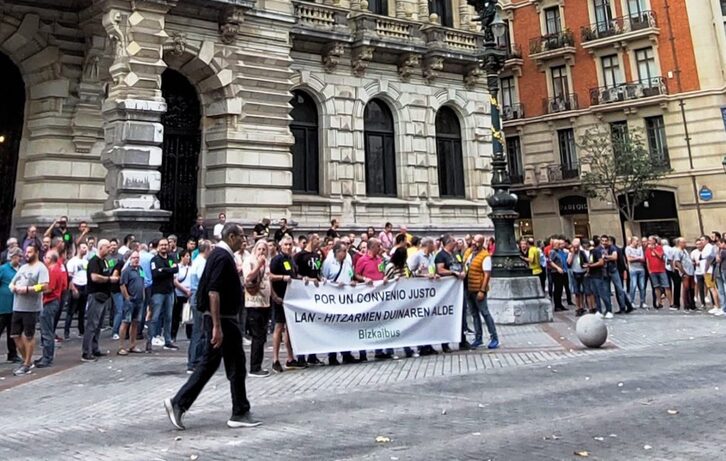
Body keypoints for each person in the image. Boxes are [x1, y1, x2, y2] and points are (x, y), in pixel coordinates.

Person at [164, 223, 261, 430]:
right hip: (223, 320)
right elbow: (213, 292)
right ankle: (239, 411)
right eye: (242, 236)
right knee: (234, 364)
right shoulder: (222, 257)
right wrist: (217, 326)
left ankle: (181, 403)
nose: (244, 240)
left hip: (222, 319)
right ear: (232, 236)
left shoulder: (220, 256)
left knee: (213, 364)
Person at [9, 245, 50, 375]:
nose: (26, 254)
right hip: (17, 305)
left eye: (29, 252)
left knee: (28, 335)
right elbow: (12, 282)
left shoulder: (41, 268)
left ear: (36, 253)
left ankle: (26, 363)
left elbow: (44, 286)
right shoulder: (23, 268)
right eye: (26, 252)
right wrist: (13, 287)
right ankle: (26, 359)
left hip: (30, 307)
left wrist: (28, 289)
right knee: (15, 335)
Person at [323, 241, 363, 364]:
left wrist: (352, 282)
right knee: (333, 328)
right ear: (337, 252)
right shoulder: (328, 263)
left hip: (346, 299)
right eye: (343, 251)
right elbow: (323, 280)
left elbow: (351, 275)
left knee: (346, 326)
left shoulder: (348, 262)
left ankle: (346, 354)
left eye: (346, 251)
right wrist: (333, 284)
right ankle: (332, 356)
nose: (346, 253)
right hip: (333, 299)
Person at [268, 235, 302, 372]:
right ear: (280, 246)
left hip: (290, 300)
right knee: (278, 327)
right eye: (286, 244)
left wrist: (303, 279)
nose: (288, 247)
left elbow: (294, 276)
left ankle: (290, 358)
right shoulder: (277, 259)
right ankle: (275, 360)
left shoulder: (291, 260)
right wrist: (275, 294)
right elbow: (269, 276)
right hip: (280, 299)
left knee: (289, 329)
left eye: (290, 244)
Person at [81, 239, 116, 362]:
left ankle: (95, 348)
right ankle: (86, 352)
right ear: (101, 248)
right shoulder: (93, 262)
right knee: (92, 324)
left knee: (98, 325)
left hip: (104, 296)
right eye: (107, 247)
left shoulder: (105, 261)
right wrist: (109, 279)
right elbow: (94, 277)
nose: (110, 249)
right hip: (95, 295)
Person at [435, 234, 471, 352]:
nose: (456, 243)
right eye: (454, 241)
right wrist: (453, 273)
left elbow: (462, 265)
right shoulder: (440, 255)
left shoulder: (456, 254)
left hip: (459, 288)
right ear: (448, 242)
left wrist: (463, 271)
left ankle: (462, 339)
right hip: (448, 291)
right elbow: (440, 269)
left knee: (461, 314)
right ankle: (445, 343)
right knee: (447, 315)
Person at [293, 233, 324, 365]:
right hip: (303, 292)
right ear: (312, 240)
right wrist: (304, 278)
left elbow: (316, 271)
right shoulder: (299, 256)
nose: (319, 242)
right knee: (303, 325)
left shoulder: (317, 256)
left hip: (314, 293)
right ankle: (301, 357)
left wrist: (319, 278)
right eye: (317, 239)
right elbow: (295, 273)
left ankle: (312, 355)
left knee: (314, 325)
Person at [243, 240, 272, 378]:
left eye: (264, 250)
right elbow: (248, 279)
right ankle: (254, 368)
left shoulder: (267, 263)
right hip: (254, 304)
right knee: (257, 336)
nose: (262, 252)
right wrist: (258, 266)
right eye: (259, 249)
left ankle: (258, 365)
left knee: (262, 336)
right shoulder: (249, 261)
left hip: (264, 303)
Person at [465, 235, 499, 349]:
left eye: (477, 242)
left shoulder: (485, 256)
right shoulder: (469, 253)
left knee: (485, 313)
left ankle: (494, 337)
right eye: (474, 241)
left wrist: (482, 290)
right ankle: (478, 338)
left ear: (482, 243)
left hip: (478, 289)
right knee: (474, 314)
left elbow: (487, 275)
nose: (474, 243)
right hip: (468, 288)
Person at [35, 250, 67, 368]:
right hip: (52, 301)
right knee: (46, 330)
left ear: (51, 259)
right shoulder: (55, 269)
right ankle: (46, 356)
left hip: (50, 301)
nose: (44, 259)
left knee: (47, 330)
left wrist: (36, 288)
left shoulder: (53, 270)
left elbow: (49, 288)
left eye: (46, 257)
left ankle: (47, 357)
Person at [149, 238, 180, 351]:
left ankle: (168, 340)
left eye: (165, 245)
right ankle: (150, 340)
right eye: (162, 245)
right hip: (158, 292)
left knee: (169, 317)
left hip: (169, 291)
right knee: (155, 317)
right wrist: (168, 270)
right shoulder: (154, 260)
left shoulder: (172, 258)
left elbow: (176, 269)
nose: (164, 247)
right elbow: (155, 273)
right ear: (158, 247)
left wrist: (163, 270)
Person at [187, 240, 211, 372]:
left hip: (196, 296)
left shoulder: (196, 261)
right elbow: (204, 281)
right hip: (199, 297)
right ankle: (194, 361)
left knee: (199, 329)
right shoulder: (201, 263)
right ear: (206, 250)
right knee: (199, 330)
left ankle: (194, 359)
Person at [118, 251, 145, 355]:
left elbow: (142, 282)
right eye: (134, 258)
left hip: (139, 300)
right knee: (125, 322)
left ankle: (132, 345)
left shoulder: (140, 269)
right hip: (130, 301)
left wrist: (143, 295)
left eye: (137, 257)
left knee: (135, 323)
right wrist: (127, 297)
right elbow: (122, 284)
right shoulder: (126, 271)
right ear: (130, 259)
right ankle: (121, 346)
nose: (136, 259)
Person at [0, 247, 23, 363]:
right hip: (3, 305)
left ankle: (12, 354)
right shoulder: (3, 269)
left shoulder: (21, 269)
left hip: (16, 305)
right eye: (19, 257)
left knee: (12, 331)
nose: (20, 259)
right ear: (13, 257)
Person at [64, 243, 88, 339]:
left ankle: (81, 331)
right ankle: (66, 332)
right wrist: (73, 288)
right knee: (71, 311)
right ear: (78, 249)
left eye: (86, 248)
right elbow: (69, 277)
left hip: (84, 286)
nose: (85, 250)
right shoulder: (72, 262)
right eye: (83, 247)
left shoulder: (86, 262)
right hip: (75, 285)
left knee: (82, 311)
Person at [586, 237, 611, 318]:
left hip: (597, 274)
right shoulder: (595, 251)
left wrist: (590, 265)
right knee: (596, 293)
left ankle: (608, 310)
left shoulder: (597, 250)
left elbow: (601, 262)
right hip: (593, 274)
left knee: (601, 293)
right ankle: (599, 310)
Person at [644, 235, 671, 310]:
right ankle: (659, 302)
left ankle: (670, 303)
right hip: (653, 270)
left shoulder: (659, 247)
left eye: (650, 240)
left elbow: (660, 256)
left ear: (654, 241)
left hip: (661, 270)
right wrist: (649, 270)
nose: (649, 241)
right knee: (656, 287)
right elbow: (647, 260)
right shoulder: (647, 249)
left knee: (666, 286)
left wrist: (654, 250)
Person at [172, 250, 192, 342]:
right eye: (187, 256)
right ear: (182, 257)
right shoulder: (177, 267)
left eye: (189, 256)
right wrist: (184, 290)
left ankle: (190, 335)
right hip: (179, 293)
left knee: (189, 314)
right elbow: (175, 281)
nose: (188, 258)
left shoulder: (191, 268)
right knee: (176, 314)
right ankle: (173, 335)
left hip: (189, 294)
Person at [674, 237, 696, 311]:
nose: (685, 244)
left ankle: (692, 303)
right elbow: (677, 262)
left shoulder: (685, 250)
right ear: (679, 243)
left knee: (691, 288)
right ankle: (687, 304)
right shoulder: (678, 251)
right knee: (686, 288)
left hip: (690, 271)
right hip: (686, 272)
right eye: (683, 242)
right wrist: (683, 272)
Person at [567, 238, 588, 317]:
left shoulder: (582, 253)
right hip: (574, 273)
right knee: (577, 292)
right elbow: (568, 263)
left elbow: (586, 261)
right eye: (574, 247)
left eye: (577, 247)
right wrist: (572, 253)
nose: (576, 248)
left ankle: (582, 306)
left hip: (582, 272)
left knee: (583, 291)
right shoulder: (570, 253)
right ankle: (578, 307)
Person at [625, 237, 647, 309]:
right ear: (632, 241)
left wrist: (634, 257)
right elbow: (629, 259)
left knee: (642, 286)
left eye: (638, 241)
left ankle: (642, 302)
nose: (637, 242)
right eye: (636, 241)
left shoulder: (640, 248)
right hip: (633, 269)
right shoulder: (628, 248)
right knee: (633, 285)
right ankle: (632, 301)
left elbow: (643, 259)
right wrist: (638, 258)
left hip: (641, 269)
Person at [548, 239, 568, 312]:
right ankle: (557, 305)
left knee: (560, 289)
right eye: (557, 244)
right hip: (555, 272)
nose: (559, 245)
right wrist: (557, 268)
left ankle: (559, 304)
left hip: (561, 272)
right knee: (557, 289)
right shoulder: (553, 252)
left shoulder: (559, 252)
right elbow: (550, 261)